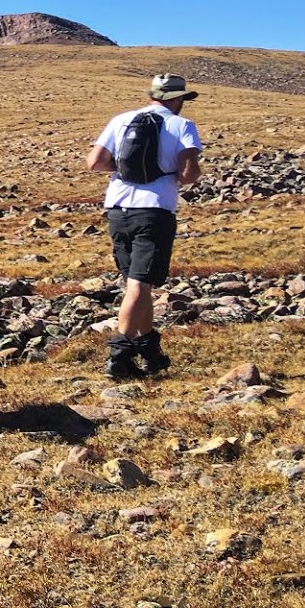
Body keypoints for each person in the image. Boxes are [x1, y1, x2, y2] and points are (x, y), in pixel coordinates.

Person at [86, 73, 204, 379]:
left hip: (117, 207)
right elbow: (190, 174)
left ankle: (150, 351)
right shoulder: (182, 126)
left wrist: (126, 168)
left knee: (137, 284)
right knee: (139, 284)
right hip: (154, 210)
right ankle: (119, 356)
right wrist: (173, 174)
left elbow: (95, 162)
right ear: (176, 99)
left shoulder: (121, 119)